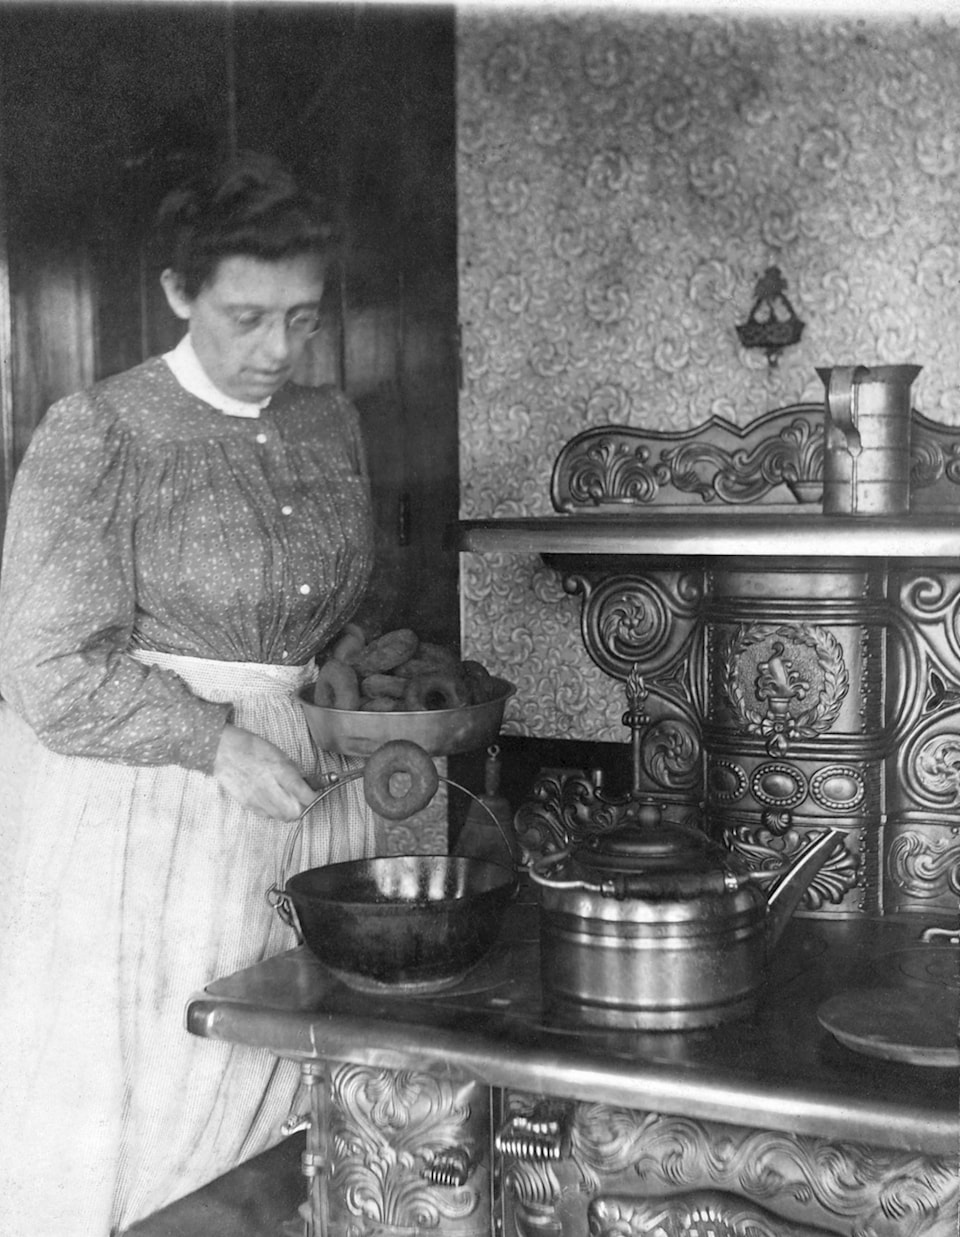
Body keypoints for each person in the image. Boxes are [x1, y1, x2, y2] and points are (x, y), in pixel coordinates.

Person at [0, 152, 380, 1235]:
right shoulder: (103, 430)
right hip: (150, 807)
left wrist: (343, 679)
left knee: (292, 1110)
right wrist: (213, 742)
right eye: (246, 316)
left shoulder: (328, 424)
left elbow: (328, 608)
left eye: (302, 319)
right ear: (179, 294)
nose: (277, 349)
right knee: (170, 1097)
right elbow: (40, 664)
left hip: (309, 785)